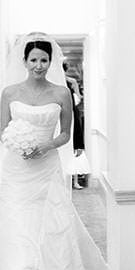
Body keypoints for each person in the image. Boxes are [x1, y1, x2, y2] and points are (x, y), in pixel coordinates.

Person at [0, 32, 114, 270]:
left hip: (46, 168)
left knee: (53, 231)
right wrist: (18, 144)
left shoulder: (61, 93)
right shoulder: (9, 92)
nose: (39, 65)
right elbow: (4, 130)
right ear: (24, 61)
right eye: (34, 59)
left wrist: (45, 144)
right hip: (17, 171)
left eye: (44, 60)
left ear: (51, 62)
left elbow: (66, 134)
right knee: (15, 231)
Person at [63, 60, 90, 189]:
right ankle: (73, 182)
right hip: (70, 112)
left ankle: (72, 181)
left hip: (70, 113)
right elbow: (79, 98)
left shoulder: (69, 82)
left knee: (72, 147)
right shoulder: (70, 82)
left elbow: (77, 99)